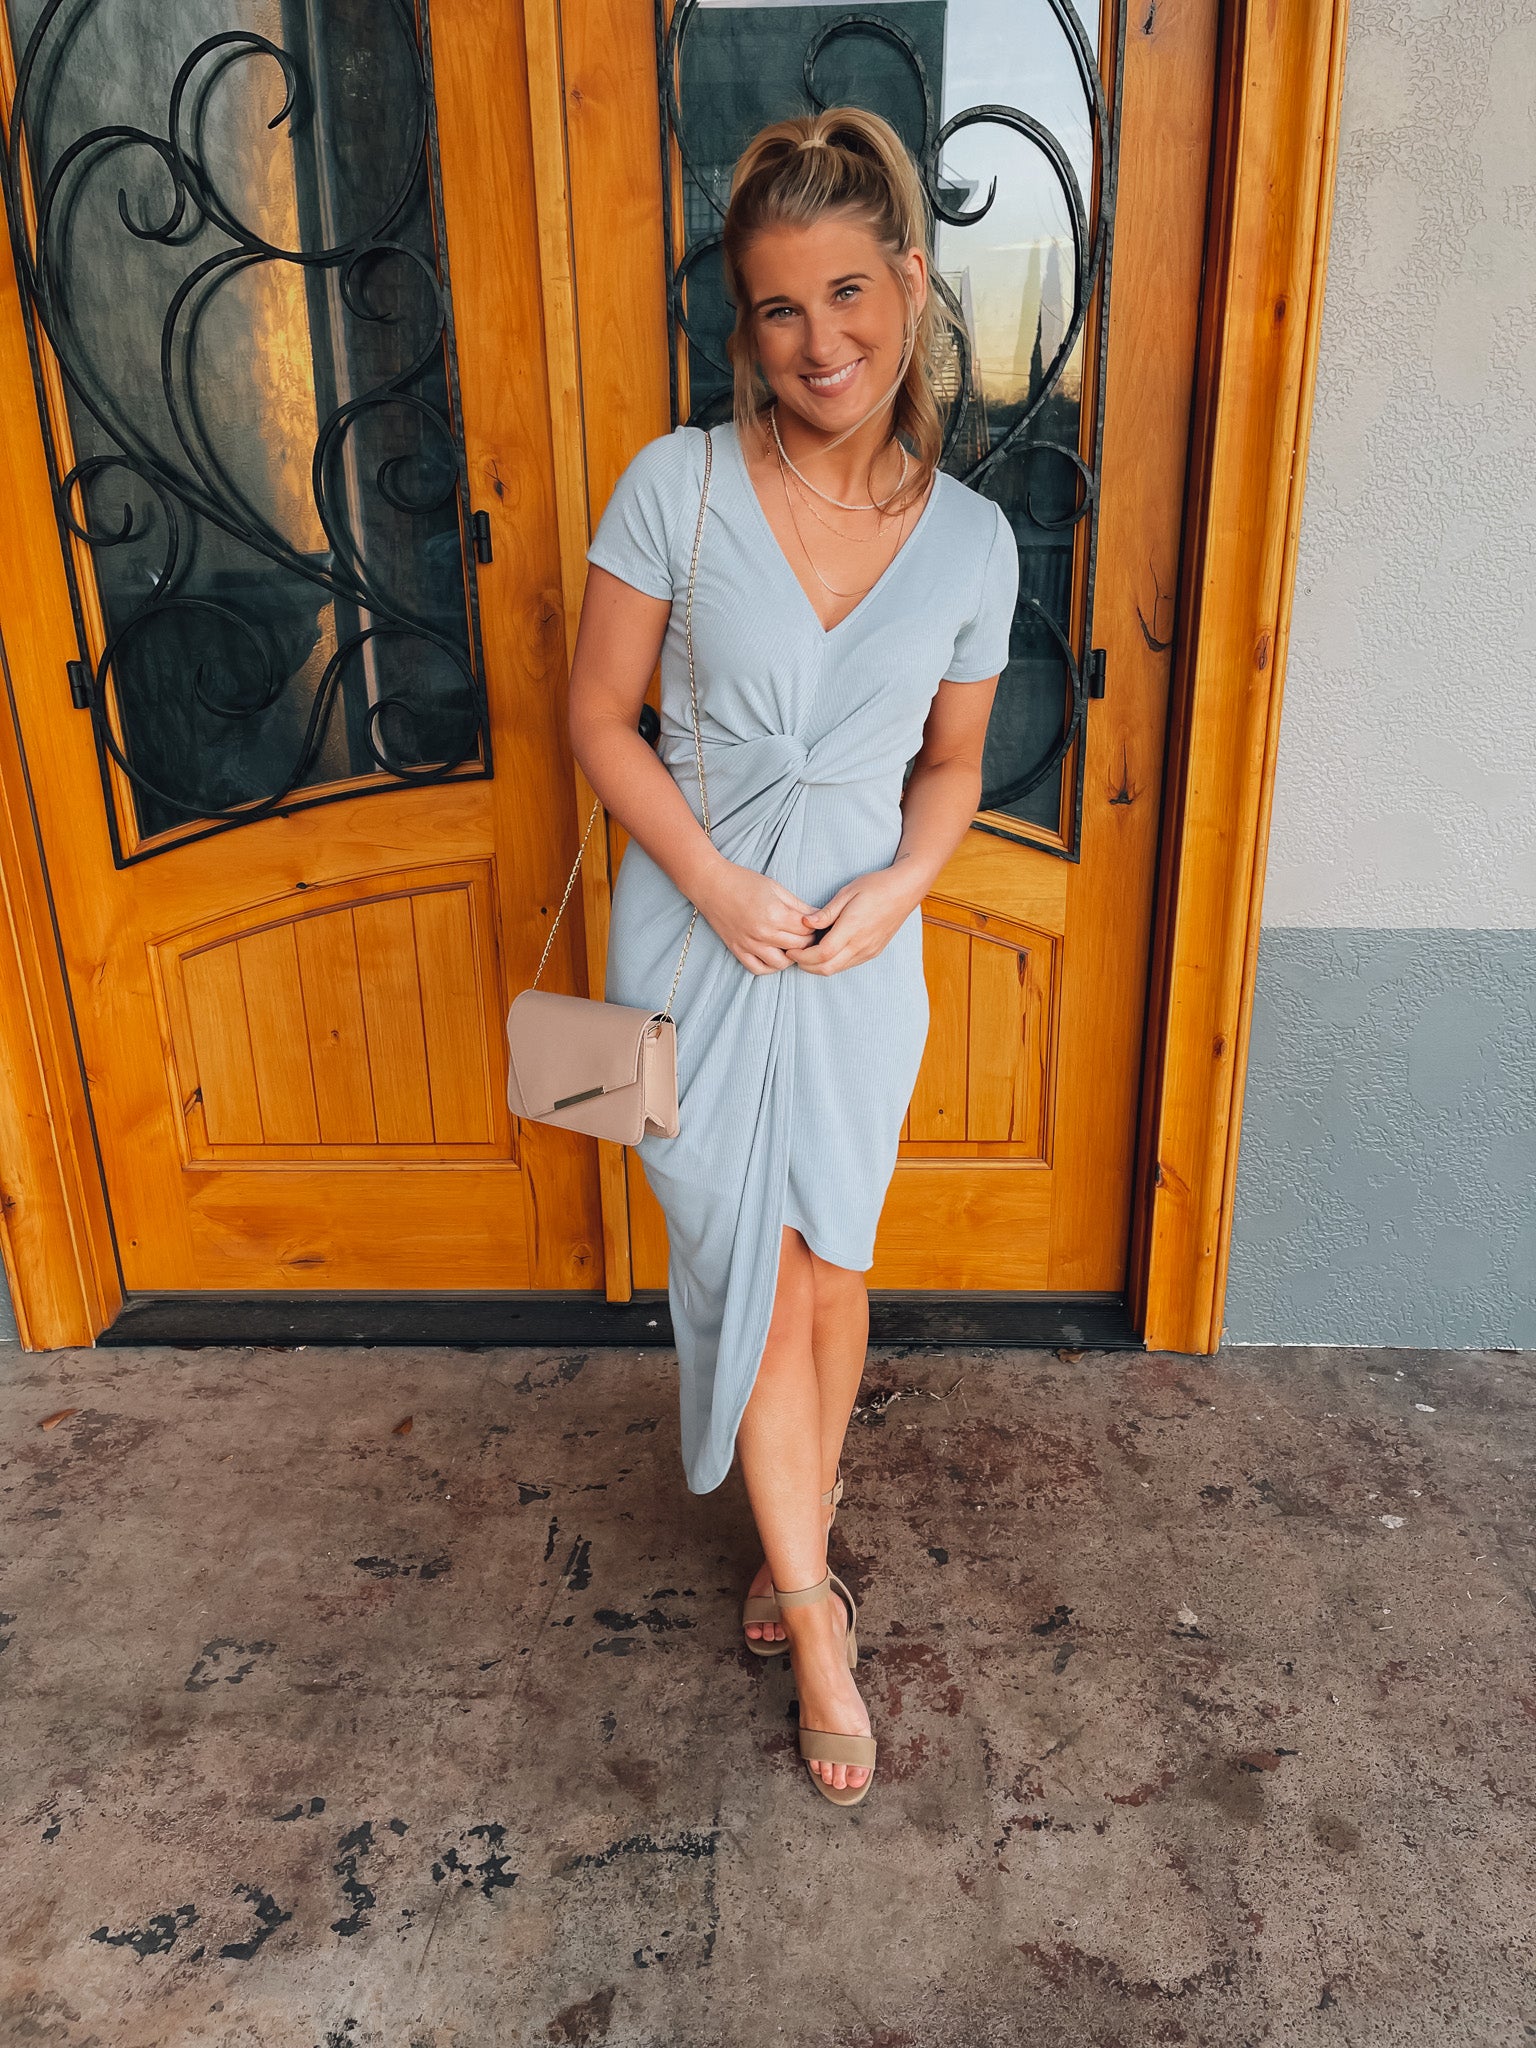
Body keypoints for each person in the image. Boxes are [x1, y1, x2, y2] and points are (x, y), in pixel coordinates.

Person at [566, 106, 1019, 1806]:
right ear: (744, 325)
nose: (819, 340)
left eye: (847, 293)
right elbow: (595, 718)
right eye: (777, 307)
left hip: (857, 958)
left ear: (907, 284)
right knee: (745, 1272)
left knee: (832, 1261)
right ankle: (819, 1621)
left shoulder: (974, 542)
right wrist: (711, 878)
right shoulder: (674, 487)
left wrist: (905, 884)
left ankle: (794, 1531)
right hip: (697, 946)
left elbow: (953, 763)